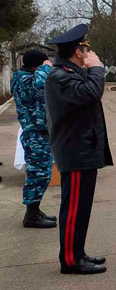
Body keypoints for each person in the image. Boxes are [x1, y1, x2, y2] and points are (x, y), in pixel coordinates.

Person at [45, 24, 112, 275]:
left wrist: (90, 70)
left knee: (81, 207)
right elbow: (90, 93)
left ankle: (77, 253)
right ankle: (71, 261)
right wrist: (96, 68)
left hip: (83, 148)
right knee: (73, 208)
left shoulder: (70, 73)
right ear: (77, 51)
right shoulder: (60, 76)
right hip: (75, 150)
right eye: (85, 49)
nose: (89, 53)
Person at [10, 50, 55, 228]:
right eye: (44, 63)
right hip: (35, 133)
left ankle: (35, 211)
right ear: (37, 65)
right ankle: (31, 215)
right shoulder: (25, 80)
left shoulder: (26, 78)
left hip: (38, 132)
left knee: (41, 173)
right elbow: (40, 86)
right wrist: (45, 68)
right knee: (37, 175)